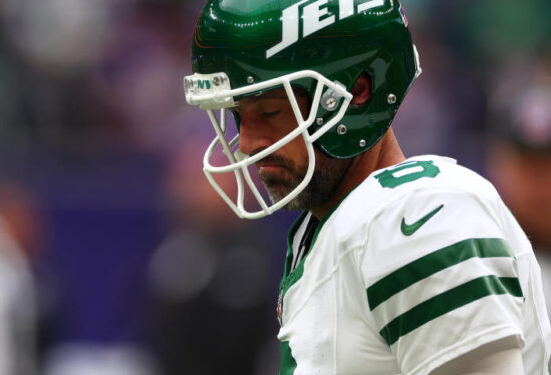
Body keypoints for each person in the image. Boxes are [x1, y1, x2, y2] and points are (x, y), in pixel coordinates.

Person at [182, 0, 551, 374]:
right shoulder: (336, 228)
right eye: (238, 114)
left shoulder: (416, 218)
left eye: (271, 112)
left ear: (359, 91)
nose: (247, 142)